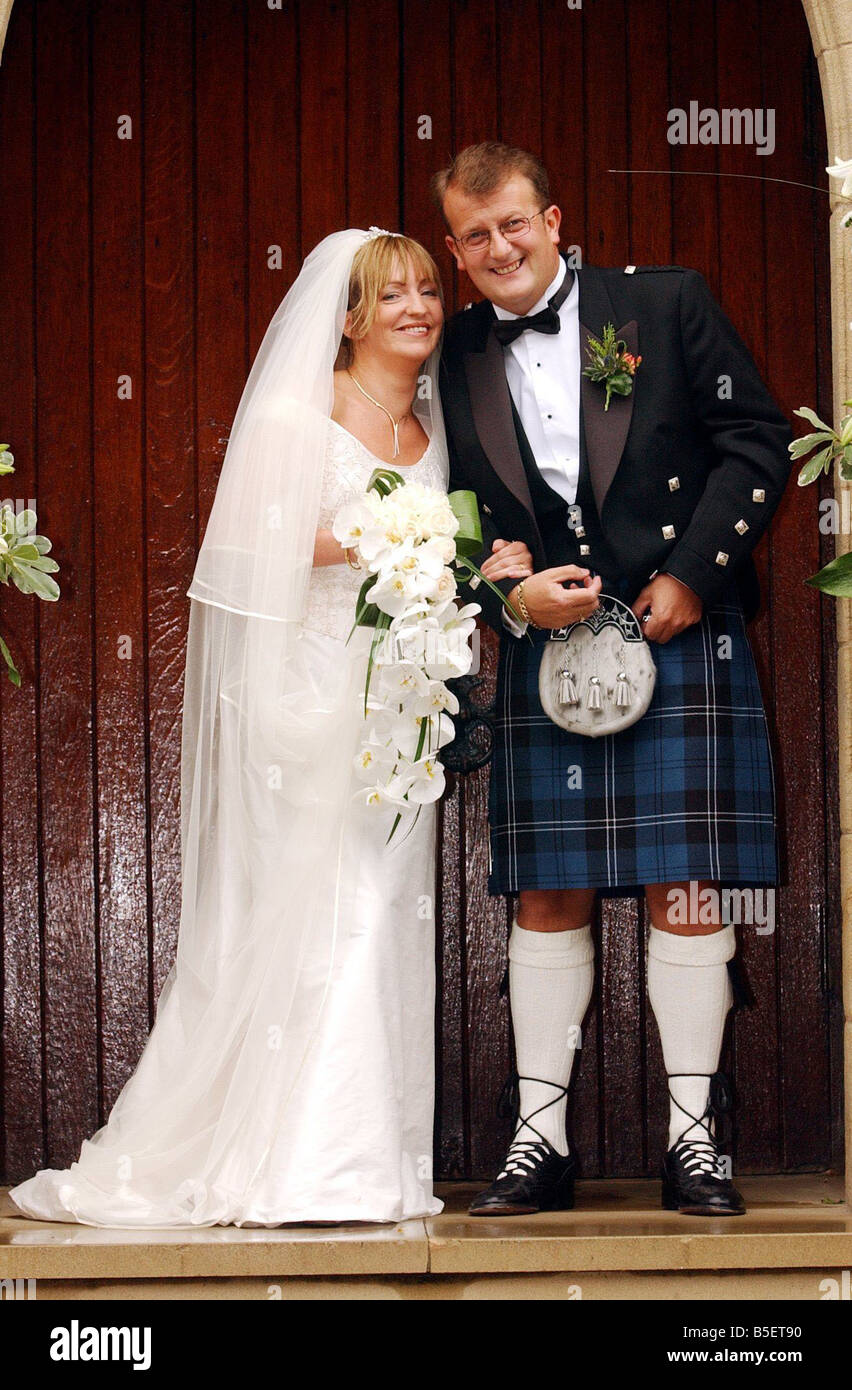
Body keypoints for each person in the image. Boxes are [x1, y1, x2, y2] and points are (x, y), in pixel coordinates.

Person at [9, 227, 532, 1228]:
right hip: (308, 697)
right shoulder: (301, 416)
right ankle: (298, 1166)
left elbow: (438, 571)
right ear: (347, 318)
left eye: (428, 289)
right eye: (394, 296)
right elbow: (252, 551)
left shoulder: (434, 427)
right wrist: (397, 534)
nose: (420, 306)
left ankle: (366, 1163)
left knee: (386, 918)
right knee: (322, 917)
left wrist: (476, 569)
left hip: (399, 714)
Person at [433, 142, 792, 1218]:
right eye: (475, 235)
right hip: (551, 647)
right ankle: (539, 1142)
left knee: (687, 885)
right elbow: (440, 506)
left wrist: (691, 575)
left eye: (514, 224)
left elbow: (755, 443)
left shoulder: (664, 305)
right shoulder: (453, 352)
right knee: (548, 893)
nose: (499, 247)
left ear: (551, 217)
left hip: (684, 638)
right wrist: (504, 595)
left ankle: (697, 1141)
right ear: (457, 251)